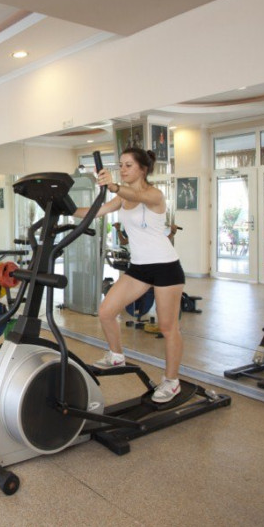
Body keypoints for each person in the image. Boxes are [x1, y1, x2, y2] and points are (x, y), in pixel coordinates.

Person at [74, 148, 186, 403]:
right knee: (106, 311)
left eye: (128, 165)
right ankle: (116, 355)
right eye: (121, 165)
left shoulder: (155, 194)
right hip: (139, 268)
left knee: (168, 328)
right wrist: (62, 207)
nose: (123, 169)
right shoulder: (122, 197)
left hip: (166, 266)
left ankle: (172, 381)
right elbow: (95, 212)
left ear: (143, 169)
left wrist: (113, 185)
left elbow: (136, 195)